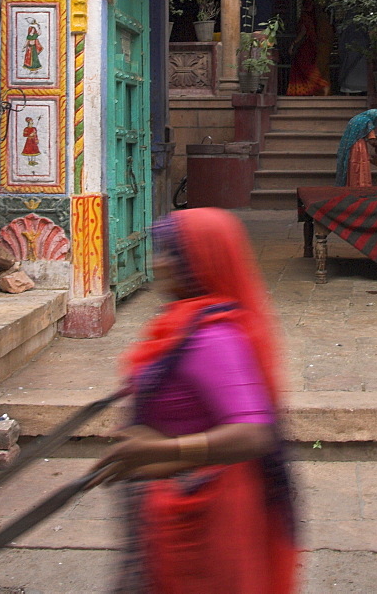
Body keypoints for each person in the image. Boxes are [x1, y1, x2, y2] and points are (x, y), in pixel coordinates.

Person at [89, 208, 298, 594]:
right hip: (171, 507)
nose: (159, 264)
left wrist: (164, 449)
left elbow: (254, 434)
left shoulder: (214, 338)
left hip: (205, 518)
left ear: (198, 264)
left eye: (172, 254)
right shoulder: (184, 320)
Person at [287, 0, 332, 96]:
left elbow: (303, 31)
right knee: (304, 67)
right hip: (311, 46)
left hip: (305, 46)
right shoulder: (315, 18)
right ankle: (307, 89)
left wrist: (294, 43)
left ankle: (321, 84)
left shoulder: (306, 17)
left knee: (304, 67)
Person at [335, 108, 377, 187]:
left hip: (349, 145)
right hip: (360, 146)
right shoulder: (368, 121)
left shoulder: (355, 119)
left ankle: (351, 183)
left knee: (352, 165)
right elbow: (371, 140)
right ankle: (362, 184)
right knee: (361, 165)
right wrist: (376, 146)